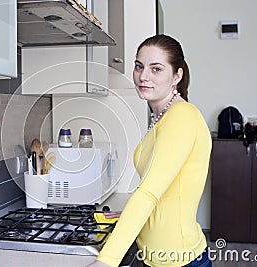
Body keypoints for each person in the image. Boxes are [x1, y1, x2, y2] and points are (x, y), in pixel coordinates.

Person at [86, 34, 212, 267]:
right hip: (156, 258)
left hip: (178, 260)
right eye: (139, 66)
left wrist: (107, 261)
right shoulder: (162, 118)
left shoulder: (182, 116)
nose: (143, 76)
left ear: (177, 75)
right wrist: (129, 217)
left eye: (156, 69)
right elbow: (165, 193)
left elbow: (149, 192)